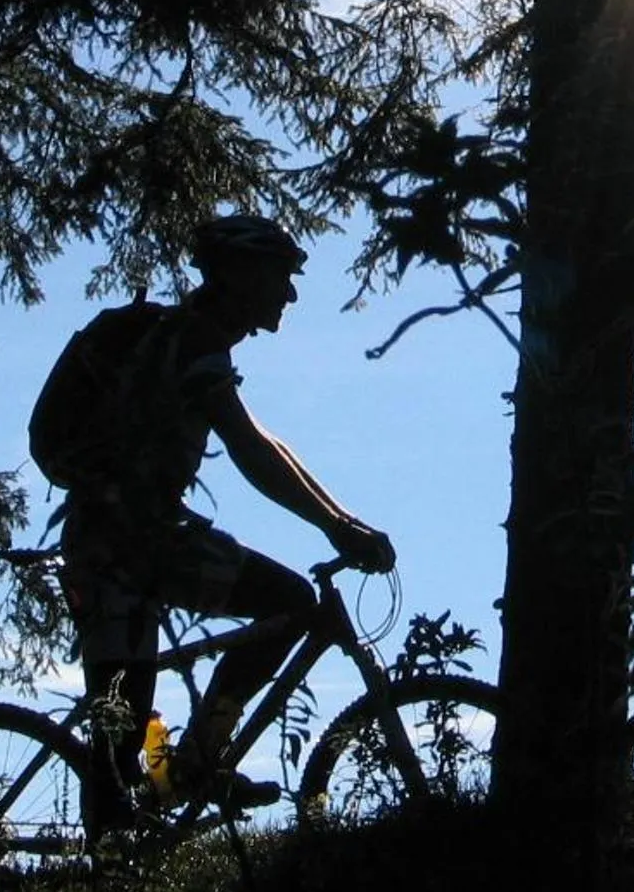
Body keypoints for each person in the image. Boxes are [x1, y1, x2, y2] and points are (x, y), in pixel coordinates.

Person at [54, 212, 394, 812]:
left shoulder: (187, 339)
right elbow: (248, 447)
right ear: (239, 275)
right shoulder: (191, 340)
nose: (288, 292)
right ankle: (177, 789)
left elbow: (264, 441)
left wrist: (343, 520)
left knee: (127, 719)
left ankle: (182, 776)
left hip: (120, 535)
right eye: (278, 275)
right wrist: (339, 528)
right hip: (128, 542)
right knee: (283, 608)